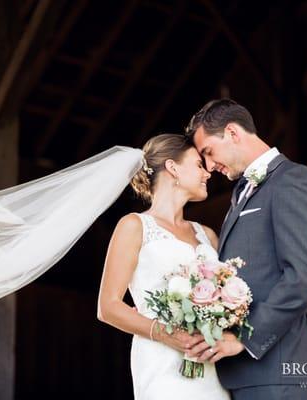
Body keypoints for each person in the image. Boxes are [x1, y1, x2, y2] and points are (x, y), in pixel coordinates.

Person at [184, 99, 307, 400]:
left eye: (209, 152)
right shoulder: (242, 192)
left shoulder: (292, 180)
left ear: (233, 133)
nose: (210, 167)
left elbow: (303, 275)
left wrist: (243, 339)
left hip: (277, 365)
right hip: (244, 373)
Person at [97, 133, 230, 399]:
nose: (208, 173)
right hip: (161, 363)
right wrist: (168, 335)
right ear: (173, 168)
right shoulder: (134, 226)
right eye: (198, 165)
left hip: (210, 364)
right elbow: (108, 307)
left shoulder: (208, 235)